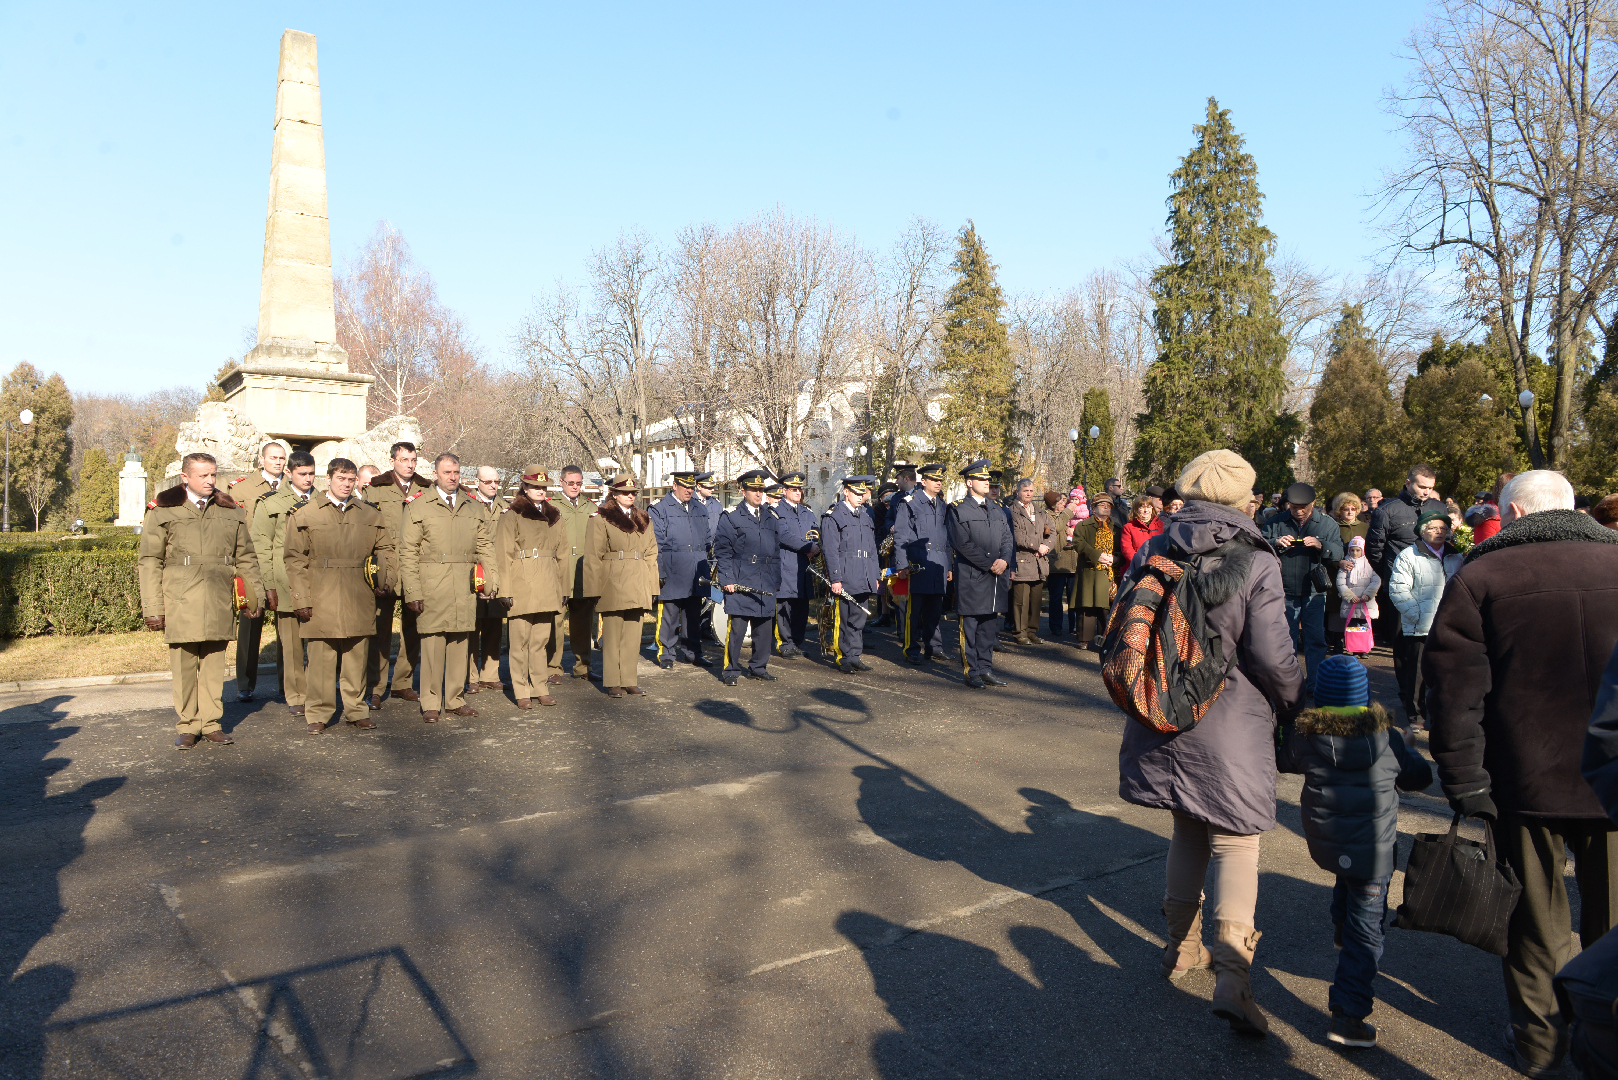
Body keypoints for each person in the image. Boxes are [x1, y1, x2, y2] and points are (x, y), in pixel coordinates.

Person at [1424, 470, 1618, 1077]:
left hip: (1523, 777)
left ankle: (1541, 1045)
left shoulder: (1482, 576)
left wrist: (1464, 780)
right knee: (1616, 920)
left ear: (1510, 516)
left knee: (1536, 924)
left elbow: (1453, 694)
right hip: (1614, 779)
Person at [1119, 448, 1304, 1037]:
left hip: (1160, 710)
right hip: (1231, 719)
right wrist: (1298, 701)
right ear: (1244, 497)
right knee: (1237, 841)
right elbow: (1273, 657)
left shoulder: (1155, 544)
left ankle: (1181, 948)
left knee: (1187, 828)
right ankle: (1234, 977)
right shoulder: (1254, 558)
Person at [1282, 654, 1432, 1049]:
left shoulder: (1306, 737)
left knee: (1347, 877)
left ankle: (1339, 927)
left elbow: (1285, 758)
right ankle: (1349, 1016)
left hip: (1327, 843)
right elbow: (1421, 778)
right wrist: (1407, 746)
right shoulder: (1388, 739)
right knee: (1367, 928)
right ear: (1365, 699)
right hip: (1374, 850)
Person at [139, 453, 264, 748]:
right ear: (185, 478)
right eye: (203, 476)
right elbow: (149, 561)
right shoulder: (163, 511)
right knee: (184, 666)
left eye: (213, 475)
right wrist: (153, 608)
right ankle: (187, 724)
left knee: (213, 664)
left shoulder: (231, 510)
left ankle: (210, 723)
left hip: (219, 597)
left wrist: (253, 597)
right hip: (179, 598)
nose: (210, 481)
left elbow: (246, 557)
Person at [283, 458, 395, 734]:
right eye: (340, 479)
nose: (346, 484)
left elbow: (387, 552)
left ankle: (356, 709)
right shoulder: (305, 513)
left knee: (357, 656)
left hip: (359, 591)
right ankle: (318, 714)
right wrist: (301, 599)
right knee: (321, 658)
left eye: (350, 479)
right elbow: (294, 561)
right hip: (321, 591)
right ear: (328, 479)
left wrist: (387, 580)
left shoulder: (370, 514)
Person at [399, 453, 498, 723]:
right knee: (432, 643)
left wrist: (491, 580)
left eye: (456, 472)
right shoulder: (418, 507)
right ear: (435, 474)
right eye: (447, 472)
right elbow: (407, 552)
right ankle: (430, 701)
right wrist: (412, 591)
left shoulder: (473, 506)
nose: (452, 477)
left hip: (463, 585)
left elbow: (485, 547)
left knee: (459, 643)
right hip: (431, 584)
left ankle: (455, 699)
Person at [1366, 464, 1443, 702]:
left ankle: (1430, 691)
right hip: (1402, 589)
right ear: (1408, 483)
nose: (1426, 492)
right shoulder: (1387, 511)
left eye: (1430, 488)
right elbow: (1374, 550)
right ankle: (1407, 693)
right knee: (1404, 644)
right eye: (1422, 486)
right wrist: (1392, 578)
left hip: (1436, 587)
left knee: (1433, 641)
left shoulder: (1438, 508)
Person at [366, 441, 433, 707]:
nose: (409, 465)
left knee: (413, 627)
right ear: (393, 460)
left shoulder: (425, 489)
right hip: (386, 564)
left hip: (415, 564)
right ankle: (376, 686)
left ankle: (403, 682)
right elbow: (366, 527)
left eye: (413, 460)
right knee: (380, 629)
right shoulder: (376, 488)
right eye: (404, 460)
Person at [250, 450, 317, 718]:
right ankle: (297, 695)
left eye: (312, 473)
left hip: (316, 583)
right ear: (289, 473)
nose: (308, 479)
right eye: (302, 474)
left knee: (317, 642)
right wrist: (268, 585)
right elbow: (261, 547)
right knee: (291, 645)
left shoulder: (323, 501)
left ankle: (315, 691)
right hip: (285, 581)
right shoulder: (271, 503)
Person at [1262, 482, 1344, 701]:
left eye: (1303, 507)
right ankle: (1287, 684)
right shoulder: (1275, 522)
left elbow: (1338, 553)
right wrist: (1275, 542)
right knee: (1284, 639)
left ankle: (1315, 684)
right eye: (1294, 506)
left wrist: (1320, 544)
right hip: (1284, 590)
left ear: (1313, 504)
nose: (1298, 511)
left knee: (1315, 639)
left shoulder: (1327, 524)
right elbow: (1258, 546)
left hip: (1314, 591)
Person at [494, 467, 567, 709]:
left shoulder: (554, 515)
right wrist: (504, 589)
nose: (539, 491)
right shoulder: (512, 514)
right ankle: (521, 690)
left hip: (547, 582)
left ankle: (540, 687)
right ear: (524, 487)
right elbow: (503, 554)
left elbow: (563, 555)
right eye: (535, 486)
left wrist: (564, 588)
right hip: (521, 581)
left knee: (540, 641)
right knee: (519, 641)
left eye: (543, 487)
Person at [1387, 507, 1463, 729]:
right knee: (1418, 673)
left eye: (1443, 528)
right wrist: (1417, 615)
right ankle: (1416, 715)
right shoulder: (1409, 555)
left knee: (1446, 672)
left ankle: (1441, 713)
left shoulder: (1455, 555)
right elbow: (1398, 590)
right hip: (1420, 624)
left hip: (1449, 624)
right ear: (1422, 531)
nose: (1440, 532)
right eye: (1433, 528)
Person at [584, 473, 658, 699]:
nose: (630, 496)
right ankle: (613, 681)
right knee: (613, 633)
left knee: (633, 634)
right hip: (613, 580)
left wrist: (653, 587)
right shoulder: (600, 518)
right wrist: (593, 590)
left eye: (633, 493)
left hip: (638, 580)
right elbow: (593, 557)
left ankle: (629, 679)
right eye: (625, 492)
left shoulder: (644, 519)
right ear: (614, 494)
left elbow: (652, 554)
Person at [226, 439, 286, 702]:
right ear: (261, 460)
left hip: (283, 565)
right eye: (273, 457)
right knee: (251, 625)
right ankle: (245, 684)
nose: (278, 462)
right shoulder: (242, 489)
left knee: (288, 627)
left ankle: (288, 683)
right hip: (253, 564)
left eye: (282, 458)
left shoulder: (293, 486)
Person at [947, 460, 1015, 689]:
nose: (987, 483)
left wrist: (1004, 560)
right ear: (969, 482)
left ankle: (986, 669)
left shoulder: (997, 509)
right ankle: (971, 671)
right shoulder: (957, 509)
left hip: (996, 577)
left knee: (989, 627)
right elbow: (962, 544)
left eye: (988, 480)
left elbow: (1008, 538)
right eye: (982, 479)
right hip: (972, 577)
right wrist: (990, 563)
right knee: (971, 627)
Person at [713, 469, 780, 685]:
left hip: (765, 579)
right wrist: (727, 579)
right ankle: (731, 669)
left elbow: (776, 551)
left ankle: (758, 667)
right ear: (743, 491)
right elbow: (722, 551)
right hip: (741, 580)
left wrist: (776, 579)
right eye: (753, 490)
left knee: (763, 629)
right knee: (737, 630)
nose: (758, 494)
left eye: (761, 490)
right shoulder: (731, 516)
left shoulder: (771, 516)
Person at [649, 469, 713, 670]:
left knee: (693, 615)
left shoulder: (699, 508)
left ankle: (693, 652)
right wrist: (660, 572)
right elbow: (655, 543)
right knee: (669, 614)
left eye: (692, 487)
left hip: (696, 570)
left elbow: (708, 539)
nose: (689, 491)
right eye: (684, 486)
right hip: (672, 569)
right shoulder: (660, 508)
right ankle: (666, 653)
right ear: (674, 485)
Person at [892, 463, 952, 663]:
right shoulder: (910, 502)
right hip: (917, 563)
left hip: (938, 564)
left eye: (940, 480)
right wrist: (901, 564)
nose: (938, 483)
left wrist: (949, 566)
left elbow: (947, 538)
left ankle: (934, 647)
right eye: (934, 480)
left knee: (935, 609)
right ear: (923, 481)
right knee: (914, 611)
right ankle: (911, 649)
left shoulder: (943, 505)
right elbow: (900, 536)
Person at [821, 474, 881, 673]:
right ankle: (843, 657)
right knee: (844, 619)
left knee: (859, 619)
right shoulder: (835, 516)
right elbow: (830, 550)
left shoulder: (865, 515)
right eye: (856, 492)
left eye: (862, 493)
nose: (859, 496)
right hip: (846, 574)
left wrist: (875, 575)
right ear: (846, 492)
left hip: (863, 573)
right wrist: (836, 578)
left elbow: (872, 550)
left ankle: (854, 655)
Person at [551, 465, 602, 681]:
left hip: (582, 572)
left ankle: (583, 667)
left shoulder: (591, 507)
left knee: (583, 623)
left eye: (579, 483)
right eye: (571, 482)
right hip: (559, 572)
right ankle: (552, 668)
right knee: (555, 623)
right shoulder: (551, 506)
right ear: (561, 482)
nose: (575, 487)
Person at [463, 466, 508, 696]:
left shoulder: (505, 507)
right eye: (488, 481)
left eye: (496, 482)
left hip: (497, 572)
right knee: (472, 627)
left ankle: (490, 675)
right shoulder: (467, 504)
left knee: (494, 625)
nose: (493, 486)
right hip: (473, 572)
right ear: (476, 482)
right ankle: (470, 677)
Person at [772, 471, 818, 658]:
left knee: (802, 607)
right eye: (794, 489)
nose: (798, 492)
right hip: (786, 566)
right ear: (784, 491)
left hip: (804, 567)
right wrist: (808, 546)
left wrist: (816, 546)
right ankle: (785, 644)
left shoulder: (807, 512)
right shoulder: (775, 511)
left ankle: (797, 642)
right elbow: (783, 535)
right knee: (785, 607)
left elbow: (815, 532)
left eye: (799, 489)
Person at [1006, 479, 1054, 645]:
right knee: (1020, 601)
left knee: (1036, 601)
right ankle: (1020, 633)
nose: (1029, 493)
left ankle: (1032, 631)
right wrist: (1037, 546)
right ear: (1018, 491)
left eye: (1031, 491)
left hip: (1039, 563)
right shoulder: (1012, 511)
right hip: (1022, 561)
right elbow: (1017, 536)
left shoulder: (1040, 511)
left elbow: (1052, 531)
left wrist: (1046, 547)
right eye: (1026, 490)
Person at [1069, 494, 1116, 650]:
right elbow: (1078, 544)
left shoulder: (1116, 527)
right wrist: (1098, 556)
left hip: (1107, 572)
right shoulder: (1083, 526)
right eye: (1102, 505)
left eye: (1108, 505)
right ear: (1094, 508)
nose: (1105, 508)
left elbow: (1122, 550)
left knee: (1105, 608)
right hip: (1088, 571)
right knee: (1086, 606)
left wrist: (1114, 559)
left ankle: (1104, 639)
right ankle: (1084, 639)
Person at [1325, 493, 1368, 654]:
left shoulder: (1365, 528)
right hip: (1338, 574)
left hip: (1361, 575)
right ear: (1338, 510)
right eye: (1345, 509)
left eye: (1353, 509)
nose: (1350, 512)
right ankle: (1337, 642)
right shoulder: (1332, 526)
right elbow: (1326, 550)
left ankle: (1358, 644)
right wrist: (1338, 563)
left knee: (1359, 609)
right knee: (1337, 609)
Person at [1333, 536, 1380, 653]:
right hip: (1351, 602)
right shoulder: (1346, 564)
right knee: (1352, 626)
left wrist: (1368, 594)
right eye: (1352, 550)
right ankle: (1354, 647)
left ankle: (1363, 648)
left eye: (1358, 550)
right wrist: (1349, 595)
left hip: (1365, 601)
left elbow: (1376, 580)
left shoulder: (1369, 564)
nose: (1355, 553)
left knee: (1365, 625)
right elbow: (1340, 582)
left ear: (1363, 550)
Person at [1045, 492, 1077, 639]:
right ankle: (1056, 626)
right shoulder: (1047, 515)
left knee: (1074, 597)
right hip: (1056, 564)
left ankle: (1074, 625)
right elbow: (1056, 527)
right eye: (1060, 502)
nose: (1063, 504)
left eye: (1064, 501)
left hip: (1073, 563)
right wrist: (1068, 511)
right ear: (1052, 505)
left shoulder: (1070, 515)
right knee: (1056, 597)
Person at [1119, 495, 1162, 567]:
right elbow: (1127, 550)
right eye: (1142, 507)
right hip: (1136, 568)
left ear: (1152, 509)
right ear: (1136, 510)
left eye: (1148, 507)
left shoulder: (1161, 525)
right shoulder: (1128, 527)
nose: (1146, 510)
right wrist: (1141, 563)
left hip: (1158, 567)